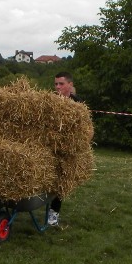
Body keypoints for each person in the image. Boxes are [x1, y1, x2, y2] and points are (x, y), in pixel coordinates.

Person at [47, 71, 82, 227]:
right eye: (56, 84)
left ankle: (53, 214)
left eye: (61, 84)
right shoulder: (50, 101)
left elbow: (84, 128)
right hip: (49, 146)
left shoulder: (78, 104)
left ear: (70, 85)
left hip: (66, 150)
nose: (58, 87)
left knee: (60, 182)